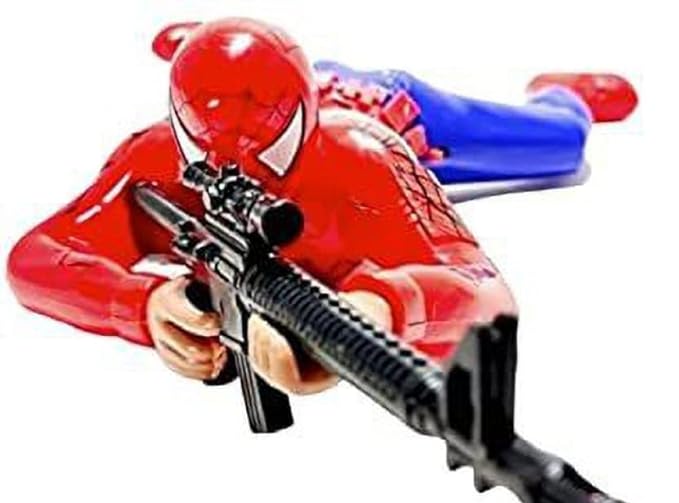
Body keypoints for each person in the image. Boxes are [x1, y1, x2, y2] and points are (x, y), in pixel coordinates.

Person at [6, 18, 636, 394]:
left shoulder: (366, 161)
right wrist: (139, 305)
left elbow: (485, 293)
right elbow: (35, 257)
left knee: (560, 141)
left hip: (394, 114)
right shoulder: (155, 155)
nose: (238, 178)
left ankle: (565, 93)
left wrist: (382, 309)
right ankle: (200, 40)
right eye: (207, 158)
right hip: (280, 88)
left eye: (266, 156)